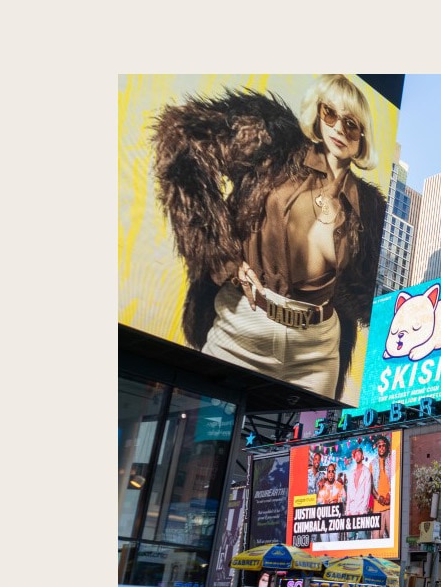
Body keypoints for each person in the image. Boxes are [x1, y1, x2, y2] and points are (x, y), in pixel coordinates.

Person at [152, 74, 387, 400]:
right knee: (206, 432)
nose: (338, 129)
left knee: (299, 445)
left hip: (318, 350)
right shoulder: (274, 143)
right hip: (245, 325)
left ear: (362, 137)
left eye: (350, 124)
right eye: (329, 114)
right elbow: (182, 137)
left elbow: (367, 295)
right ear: (317, 115)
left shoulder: (370, 207)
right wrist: (223, 257)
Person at [344, 446, 374, 539]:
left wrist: (363, 510)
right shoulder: (351, 473)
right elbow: (349, 493)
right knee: (350, 537)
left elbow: (367, 493)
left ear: (362, 456)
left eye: (359, 454)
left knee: (362, 536)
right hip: (352, 510)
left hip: (361, 508)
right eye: (355, 454)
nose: (357, 456)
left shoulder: (366, 472)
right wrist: (347, 510)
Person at [371, 435, 393, 538]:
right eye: (379, 446)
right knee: (376, 539)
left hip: (390, 506)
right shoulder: (372, 463)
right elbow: (371, 485)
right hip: (377, 507)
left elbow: (395, 478)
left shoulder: (391, 460)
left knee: (392, 537)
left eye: (383, 445)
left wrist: (390, 495)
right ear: (377, 448)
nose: (381, 448)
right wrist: (378, 497)